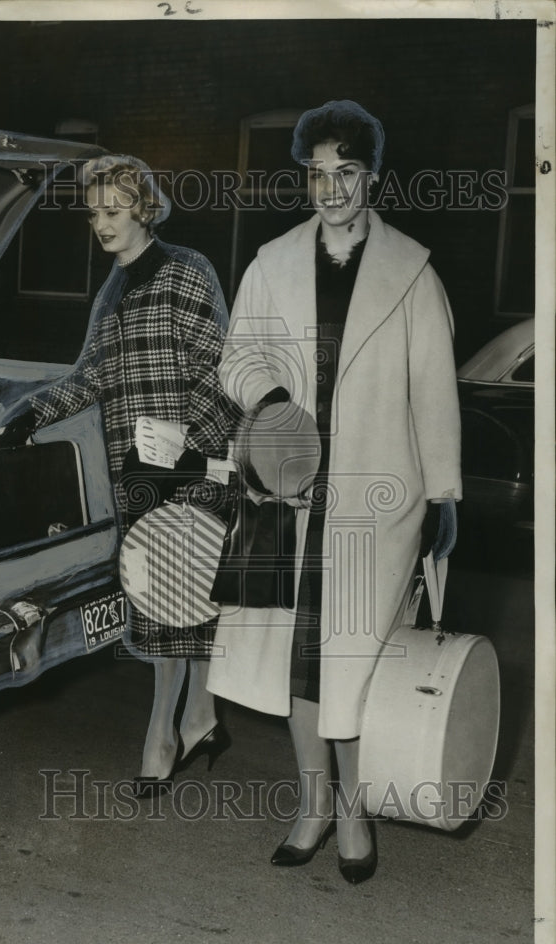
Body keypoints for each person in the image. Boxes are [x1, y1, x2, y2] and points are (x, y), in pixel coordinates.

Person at [207, 100, 461, 882]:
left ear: (371, 176)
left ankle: (353, 814)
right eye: (316, 175)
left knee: (352, 661)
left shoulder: (411, 272)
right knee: (298, 663)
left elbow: (434, 395)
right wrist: (270, 403)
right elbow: (235, 358)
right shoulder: (271, 262)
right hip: (287, 492)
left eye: (344, 173)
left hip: (377, 499)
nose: (330, 189)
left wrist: (444, 498)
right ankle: (311, 805)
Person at [0, 154, 238, 793]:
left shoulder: (188, 270)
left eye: (112, 209)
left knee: (168, 599)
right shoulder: (110, 290)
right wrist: (28, 412)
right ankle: (205, 717)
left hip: (192, 466)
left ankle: (162, 734)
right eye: (93, 213)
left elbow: (221, 364)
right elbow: (92, 377)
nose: (100, 223)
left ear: (143, 208)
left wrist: (193, 444)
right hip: (136, 469)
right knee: (172, 597)